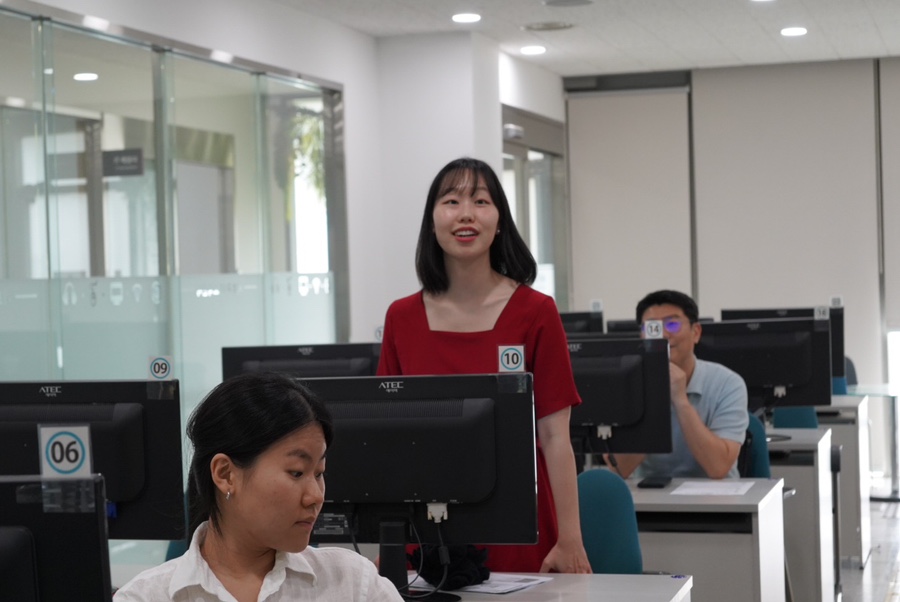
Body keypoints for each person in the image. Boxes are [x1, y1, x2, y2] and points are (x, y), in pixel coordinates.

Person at [377, 157, 591, 575]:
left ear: (500, 220)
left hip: (517, 518)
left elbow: (554, 437)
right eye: (451, 201)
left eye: (480, 201)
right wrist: (389, 542)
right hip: (426, 525)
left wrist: (570, 540)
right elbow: (390, 437)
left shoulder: (536, 312)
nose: (466, 214)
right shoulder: (401, 317)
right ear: (432, 221)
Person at [114, 372, 403, 602]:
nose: (315, 496)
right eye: (296, 472)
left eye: (319, 473)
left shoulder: (352, 583)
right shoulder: (147, 596)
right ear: (225, 474)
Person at [609, 290, 749, 479]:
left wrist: (680, 400)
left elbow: (718, 468)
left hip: (715, 495)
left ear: (696, 332)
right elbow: (619, 469)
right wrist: (655, 393)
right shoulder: (627, 383)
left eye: (672, 325)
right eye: (652, 327)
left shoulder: (728, 384)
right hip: (651, 494)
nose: (663, 334)